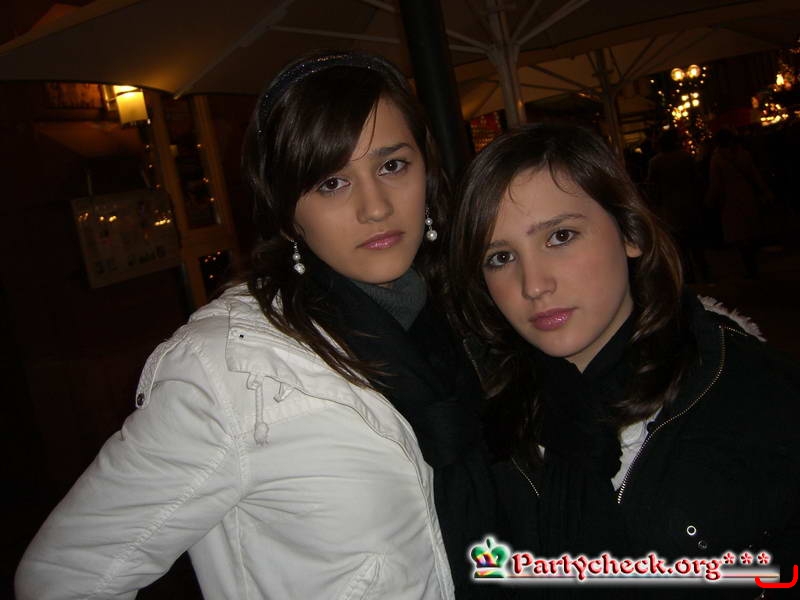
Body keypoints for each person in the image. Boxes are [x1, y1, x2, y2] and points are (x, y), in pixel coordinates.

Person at [16, 50, 497, 599]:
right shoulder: (233, 371)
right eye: (331, 183)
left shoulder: (463, 313)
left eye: (392, 166)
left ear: (426, 172)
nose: (376, 207)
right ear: (287, 212)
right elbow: (64, 577)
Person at [449, 122, 800, 598]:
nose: (534, 284)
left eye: (560, 236)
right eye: (500, 257)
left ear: (630, 232)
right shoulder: (490, 419)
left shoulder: (753, 395)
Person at [706, 128, 773, 278]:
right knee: (750, 229)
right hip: (746, 193)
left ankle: (748, 264)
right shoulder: (743, 154)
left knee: (738, 232)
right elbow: (755, 175)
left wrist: (711, 200)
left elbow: (715, 184)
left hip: (729, 198)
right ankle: (753, 262)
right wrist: (765, 191)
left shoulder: (717, 159)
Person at [645, 128, 710, 283]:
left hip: (670, 209)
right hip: (690, 205)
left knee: (681, 248)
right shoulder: (685, 157)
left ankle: (690, 278)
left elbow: (652, 187)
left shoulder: (656, 162)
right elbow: (697, 179)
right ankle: (705, 275)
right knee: (697, 246)